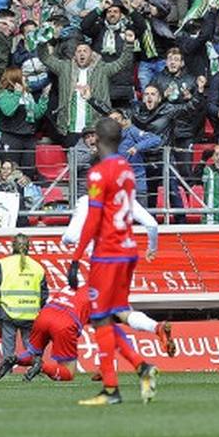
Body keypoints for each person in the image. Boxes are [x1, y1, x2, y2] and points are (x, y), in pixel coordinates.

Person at [66, 116, 158, 406]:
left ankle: (111, 389)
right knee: (114, 314)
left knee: (99, 318)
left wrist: (75, 257)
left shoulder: (97, 174)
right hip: (129, 249)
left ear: (98, 139)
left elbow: (93, 220)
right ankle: (142, 367)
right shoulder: (126, 170)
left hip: (107, 253)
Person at [0, 233, 49, 359]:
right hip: (31, 315)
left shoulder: (3, 264)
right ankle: (37, 369)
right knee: (32, 348)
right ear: (28, 246)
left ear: (12, 246)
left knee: (8, 352)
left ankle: (7, 372)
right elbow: (44, 294)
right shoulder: (38, 267)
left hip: (8, 313)